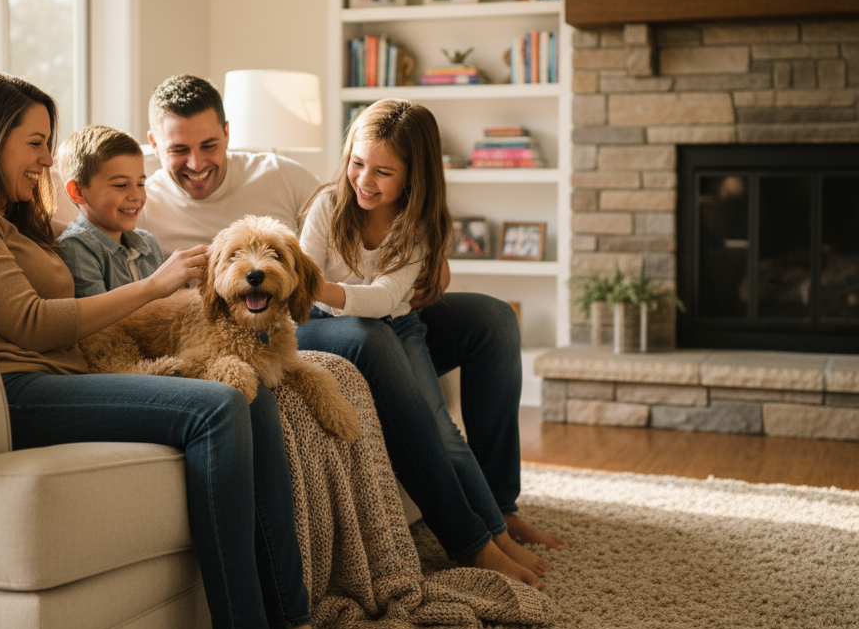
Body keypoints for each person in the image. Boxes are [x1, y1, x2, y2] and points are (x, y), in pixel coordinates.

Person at [0, 72, 380, 629]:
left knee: (252, 388)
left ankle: (294, 628)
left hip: (65, 376)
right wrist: (155, 287)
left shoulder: (8, 214)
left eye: (49, 144)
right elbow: (31, 323)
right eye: (35, 143)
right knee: (219, 402)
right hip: (15, 389)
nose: (45, 159)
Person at [140, 75, 565, 589]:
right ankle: (472, 539)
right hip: (307, 315)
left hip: (370, 304)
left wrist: (429, 265)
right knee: (370, 337)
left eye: (209, 144)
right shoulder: (138, 197)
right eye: (178, 150)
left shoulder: (281, 174)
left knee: (493, 319)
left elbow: (335, 239)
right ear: (153, 143)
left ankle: (501, 505)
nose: (196, 162)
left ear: (228, 132)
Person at [300, 99, 544, 587]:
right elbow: (303, 275)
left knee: (444, 431)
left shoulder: (417, 226)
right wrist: (311, 289)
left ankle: (497, 526)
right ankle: (482, 541)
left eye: (383, 172)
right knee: (427, 415)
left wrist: (314, 285)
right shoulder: (329, 204)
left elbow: (385, 298)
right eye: (357, 163)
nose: (364, 180)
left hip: (400, 323)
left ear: (413, 177)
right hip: (324, 323)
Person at [55, 124, 166, 297]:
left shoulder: (148, 244)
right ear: (78, 192)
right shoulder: (76, 247)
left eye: (140, 184)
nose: (136, 196)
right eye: (120, 185)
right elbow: (100, 313)